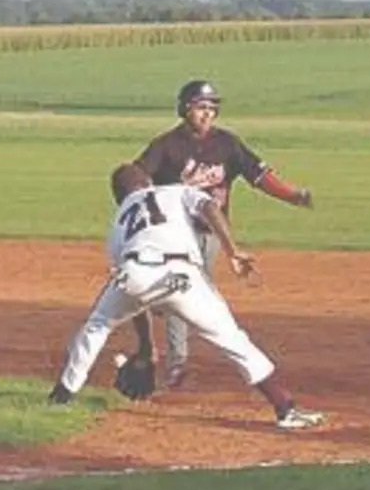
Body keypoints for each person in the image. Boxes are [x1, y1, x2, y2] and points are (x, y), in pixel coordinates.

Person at [46, 163, 326, 431]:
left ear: (119, 196)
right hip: (182, 277)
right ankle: (284, 408)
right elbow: (208, 206)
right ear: (147, 183)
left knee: (97, 326)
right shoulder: (175, 191)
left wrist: (146, 349)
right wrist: (231, 249)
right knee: (231, 338)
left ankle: (61, 396)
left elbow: (135, 298)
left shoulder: (119, 220)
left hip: (133, 273)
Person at [134, 79, 314, 388]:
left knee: (180, 290)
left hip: (211, 233)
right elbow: (136, 179)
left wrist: (291, 195)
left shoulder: (227, 144)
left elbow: (257, 175)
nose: (206, 114)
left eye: (211, 108)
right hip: (175, 233)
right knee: (183, 289)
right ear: (184, 109)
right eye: (199, 107)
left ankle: (160, 304)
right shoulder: (165, 145)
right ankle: (177, 364)